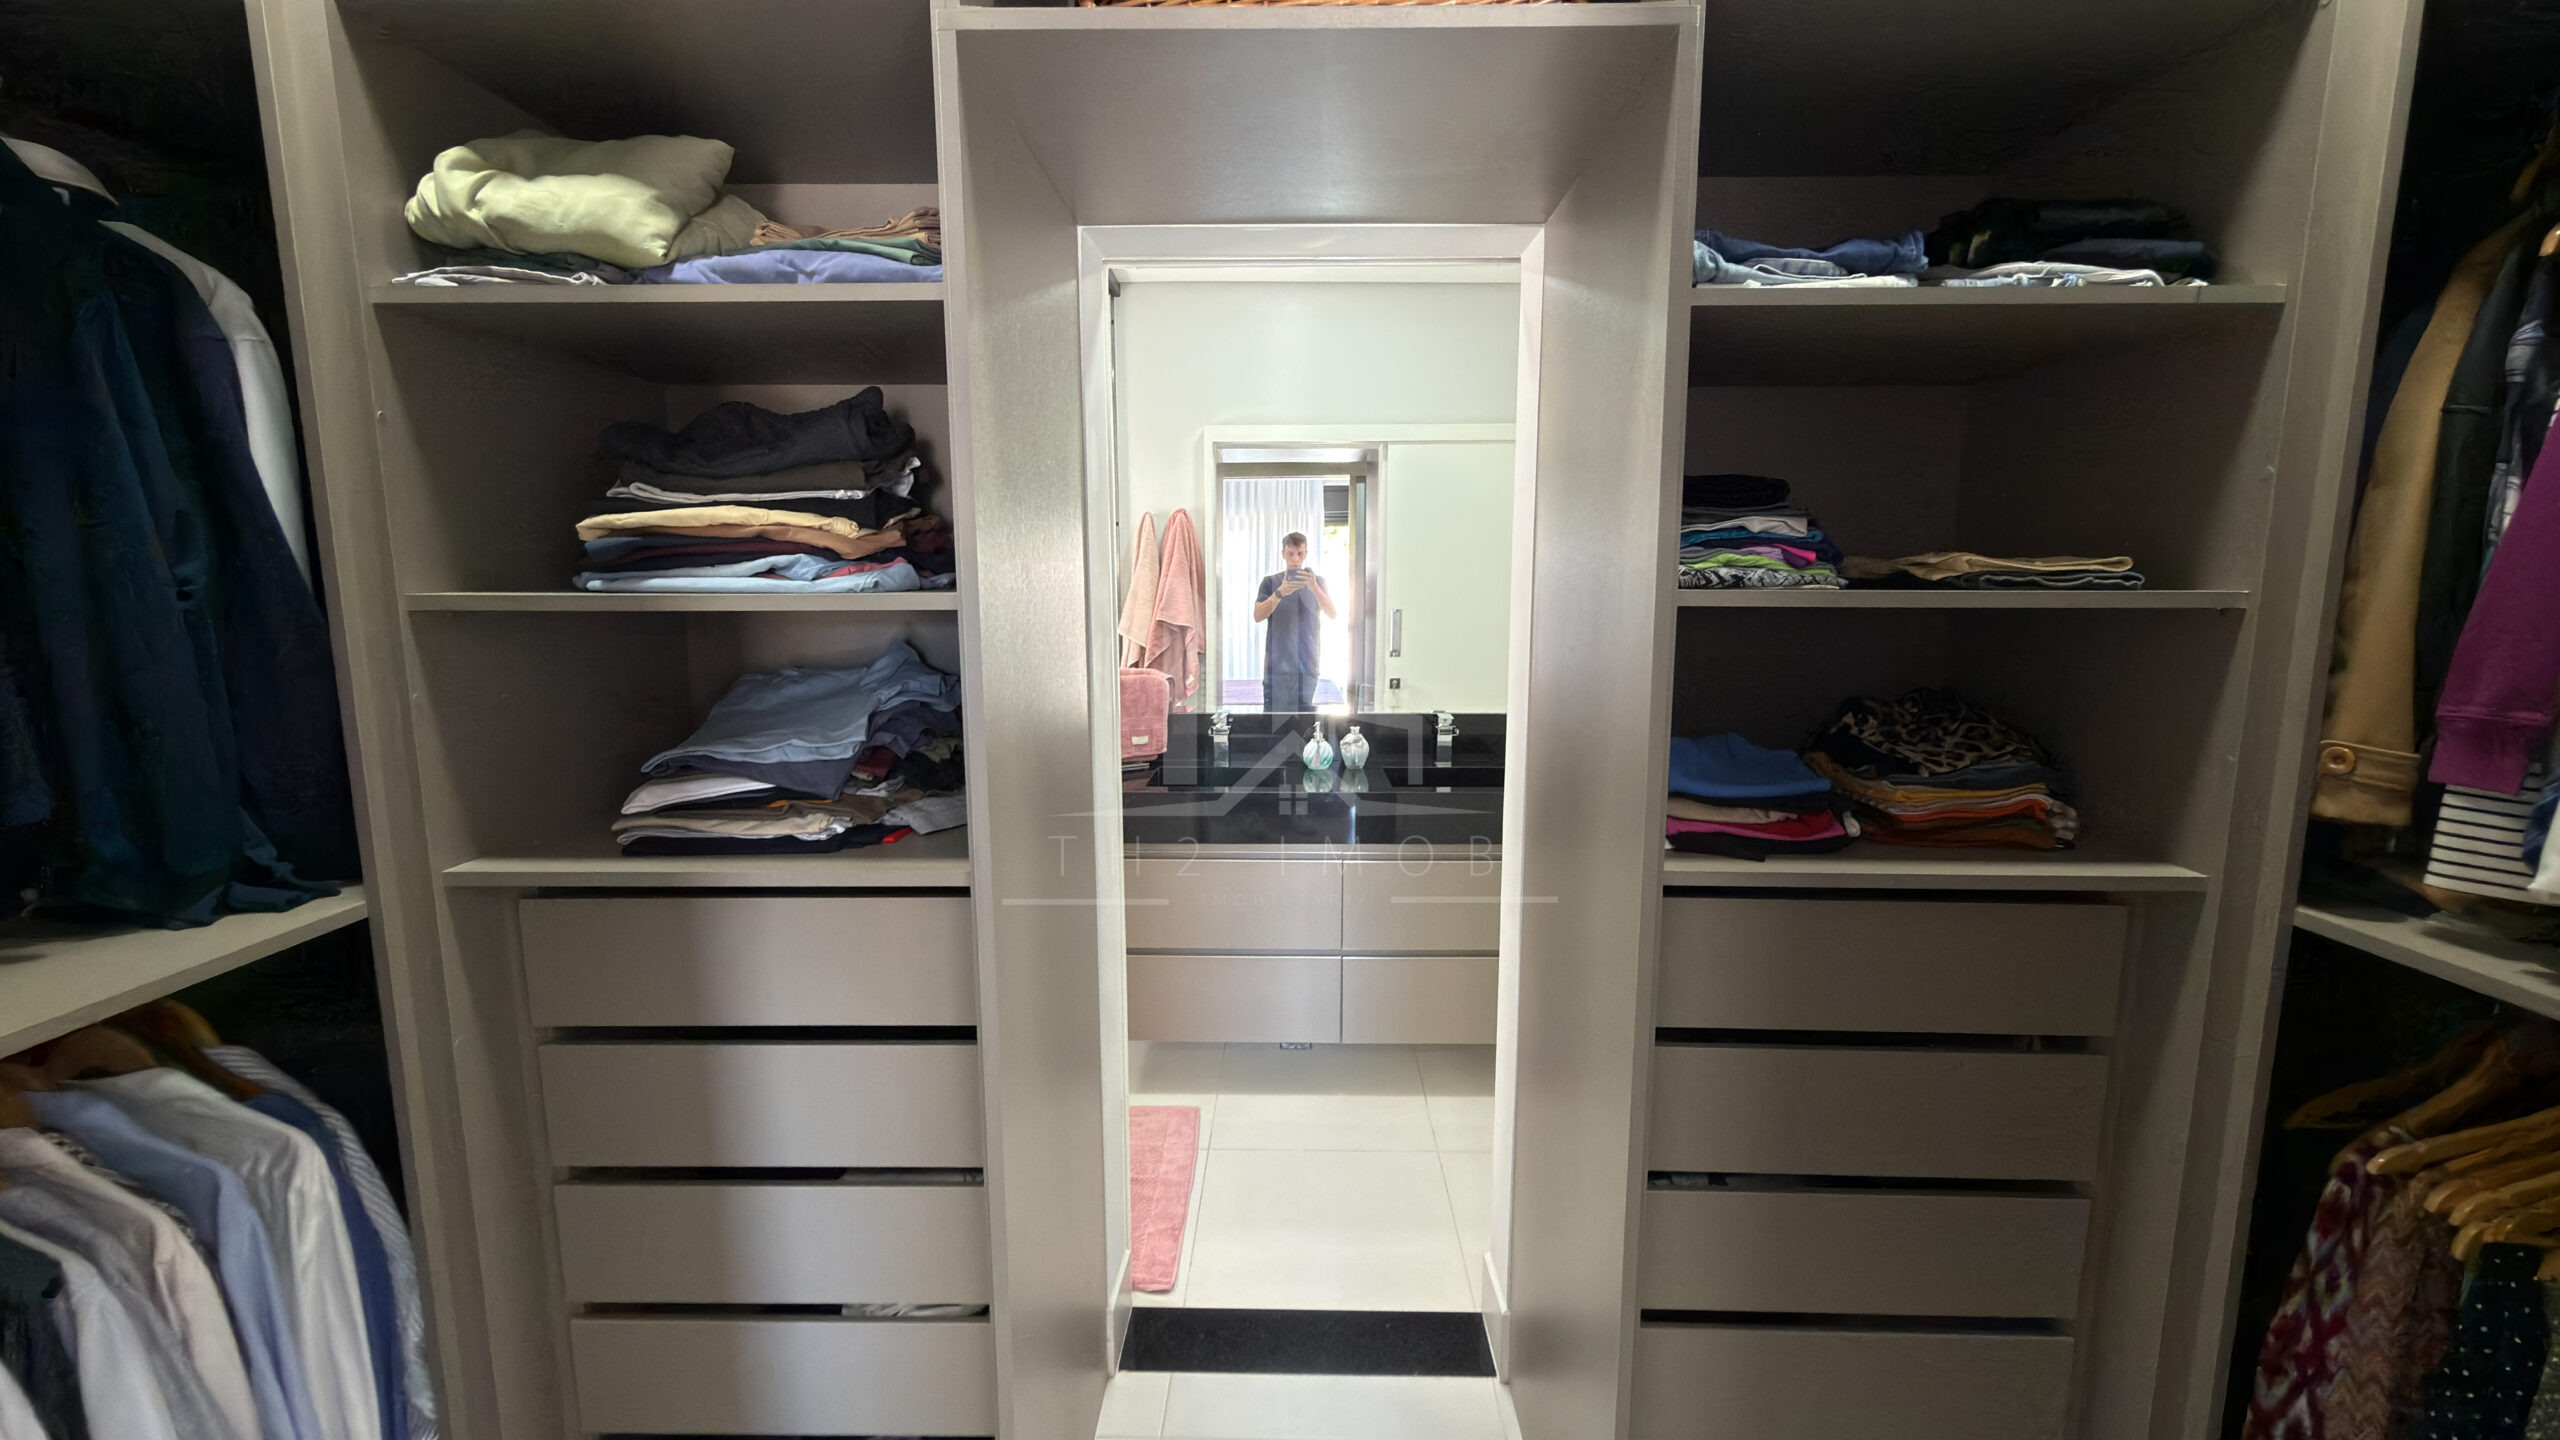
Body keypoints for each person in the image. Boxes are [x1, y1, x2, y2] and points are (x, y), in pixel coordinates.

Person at [1252, 531, 1335, 711]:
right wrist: (1280, 592)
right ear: (1283, 553)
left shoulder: (1318, 582)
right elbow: (1258, 616)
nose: (1295, 559)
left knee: (1304, 724)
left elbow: (1332, 612)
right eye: (1290, 554)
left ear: (1306, 554)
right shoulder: (1270, 583)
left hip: (1308, 666)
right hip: (1276, 668)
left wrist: (1314, 588)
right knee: (1273, 723)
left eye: (1300, 554)